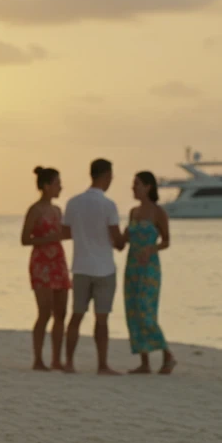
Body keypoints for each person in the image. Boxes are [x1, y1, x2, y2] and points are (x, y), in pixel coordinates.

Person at [63, 158, 125, 375]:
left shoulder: (73, 202)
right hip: (104, 269)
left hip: (80, 266)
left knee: (76, 316)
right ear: (106, 176)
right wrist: (125, 237)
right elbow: (118, 242)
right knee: (102, 319)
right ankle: (102, 365)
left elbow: (65, 232)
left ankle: (69, 363)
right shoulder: (109, 205)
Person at [124, 171, 175, 374]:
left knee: (146, 312)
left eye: (137, 184)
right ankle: (144, 362)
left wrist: (150, 249)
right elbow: (125, 238)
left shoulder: (158, 212)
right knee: (133, 311)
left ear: (148, 187)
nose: (133, 188)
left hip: (149, 267)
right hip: (132, 264)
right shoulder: (133, 212)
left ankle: (167, 354)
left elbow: (166, 241)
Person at [22, 166, 71, 371]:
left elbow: (66, 233)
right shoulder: (35, 210)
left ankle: (56, 359)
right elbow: (25, 239)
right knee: (45, 312)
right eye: (58, 183)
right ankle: (38, 359)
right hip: (41, 263)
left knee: (61, 313)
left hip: (59, 262)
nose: (61, 187)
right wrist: (50, 238)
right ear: (46, 185)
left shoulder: (58, 210)